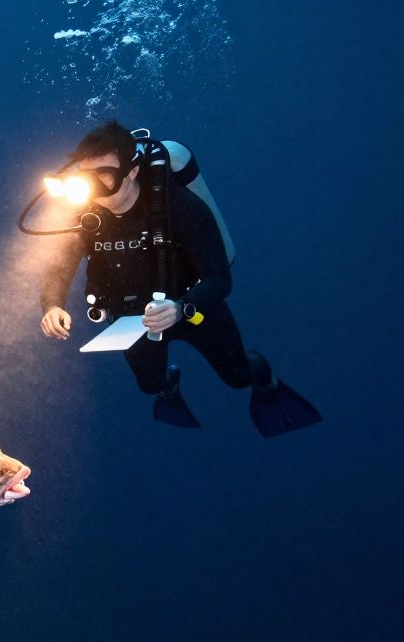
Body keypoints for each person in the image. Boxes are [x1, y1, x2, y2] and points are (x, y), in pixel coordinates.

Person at [37, 122, 320, 437]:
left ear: (132, 171)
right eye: (85, 177)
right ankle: (169, 383)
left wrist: (181, 308)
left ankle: (267, 382)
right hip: (134, 319)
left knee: (239, 378)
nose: (94, 188)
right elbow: (59, 267)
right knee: (150, 385)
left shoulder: (180, 207)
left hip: (194, 310)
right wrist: (52, 305)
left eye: (104, 175)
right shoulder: (84, 218)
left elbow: (219, 279)